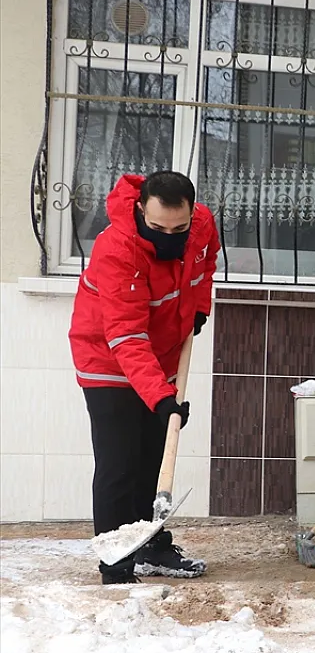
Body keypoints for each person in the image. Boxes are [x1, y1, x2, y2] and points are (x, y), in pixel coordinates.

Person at [69, 171, 220, 585]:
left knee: (154, 457)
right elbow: (127, 336)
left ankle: (151, 545)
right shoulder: (116, 250)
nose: (169, 236)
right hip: (108, 359)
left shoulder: (202, 225)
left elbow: (205, 263)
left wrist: (199, 306)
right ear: (140, 210)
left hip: (164, 355)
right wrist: (161, 398)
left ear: (191, 212)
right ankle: (116, 563)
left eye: (179, 228)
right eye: (157, 228)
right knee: (120, 464)